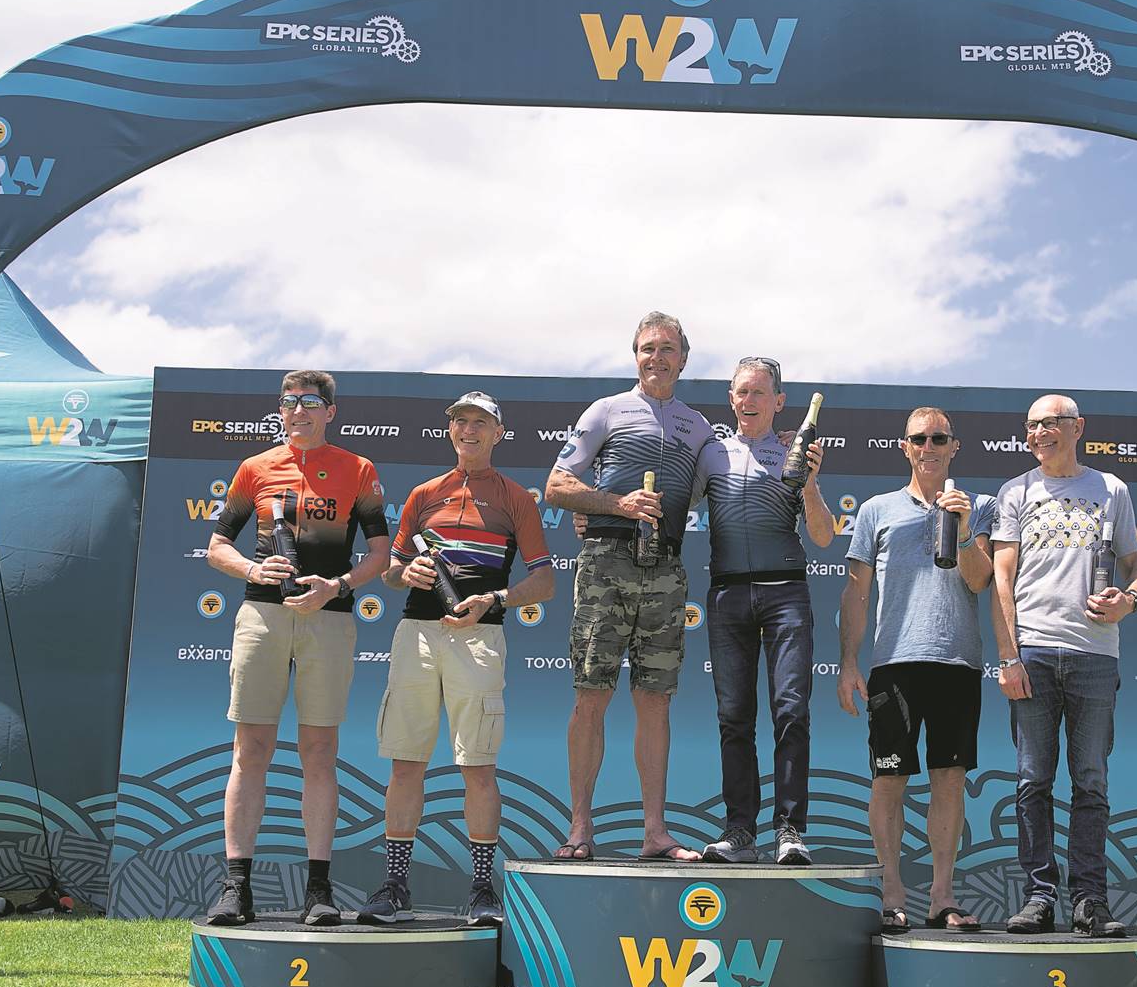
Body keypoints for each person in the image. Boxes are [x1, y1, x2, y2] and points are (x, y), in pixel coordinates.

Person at [355, 392, 554, 927]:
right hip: (416, 634)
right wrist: (407, 573)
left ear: (498, 433)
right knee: (405, 763)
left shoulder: (516, 498)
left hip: (480, 636)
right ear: (450, 431)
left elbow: (545, 581)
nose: (469, 430)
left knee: (478, 767)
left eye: (480, 422)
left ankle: (482, 888)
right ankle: (395, 884)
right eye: (460, 421)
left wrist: (497, 599)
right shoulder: (424, 494)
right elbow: (391, 572)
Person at [203, 370, 391, 926]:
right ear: (280, 410)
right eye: (289, 402)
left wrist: (338, 586)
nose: (299, 411)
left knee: (319, 750)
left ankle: (319, 889)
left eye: (310, 402)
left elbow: (380, 554)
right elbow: (216, 546)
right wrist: (251, 567)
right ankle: (236, 887)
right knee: (250, 750)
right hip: (262, 615)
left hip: (328, 618)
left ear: (330, 411)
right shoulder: (255, 468)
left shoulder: (359, 469)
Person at [543, 311, 713, 861]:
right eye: (647, 348)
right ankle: (579, 829)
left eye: (666, 348)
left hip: (665, 568)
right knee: (591, 695)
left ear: (683, 359)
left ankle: (655, 834)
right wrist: (615, 503)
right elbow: (556, 485)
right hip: (606, 563)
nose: (656, 357)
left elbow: (727, 476)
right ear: (635, 355)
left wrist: (777, 446)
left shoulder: (698, 427)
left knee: (656, 702)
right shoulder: (606, 410)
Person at [991, 394, 1137, 938]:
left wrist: (1129, 601)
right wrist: (1009, 657)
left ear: (1077, 427)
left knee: (1091, 783)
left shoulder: (1112, 490)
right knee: (1032, 781)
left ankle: (1090, 901)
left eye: (1049, 423)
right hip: (1033, 652)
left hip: (1095, 656)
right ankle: (1039, 897)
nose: (1038, 433)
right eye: (1031, 425)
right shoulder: (1015, 492)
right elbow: (1002, 579)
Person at [837, 408, 995, 933]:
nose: (929, 447)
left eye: (939, 438)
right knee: (889, 780)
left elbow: (980, 580)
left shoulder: (981, 506)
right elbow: (857, 593)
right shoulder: (875, 510)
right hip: (894, 664)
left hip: (958, 662)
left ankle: (942, 898)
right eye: (919, 438)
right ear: (904, 446)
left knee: (949, 781)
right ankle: (892, 893)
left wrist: (964, 528)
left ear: (955, 446)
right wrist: (848, 662)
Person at [693, 358, 836, 866]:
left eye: (759, 392)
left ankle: (790, 831)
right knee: (733, 718)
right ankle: (740, 833)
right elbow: (671, 505)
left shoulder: (795, 454)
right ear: (730, 399)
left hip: (785, 594)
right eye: (741, 392)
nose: (749, 401)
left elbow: (824, 536)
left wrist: (811, 484)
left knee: (791, 711)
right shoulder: (711, 452)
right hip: (727, 594)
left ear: (779, 401)